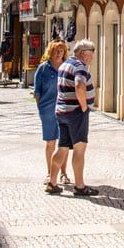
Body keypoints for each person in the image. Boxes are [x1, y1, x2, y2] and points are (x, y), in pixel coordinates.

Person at [47, 39, 97, 197]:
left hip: (62, 111)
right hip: (76, 113)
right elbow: (79, 86)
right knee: (79, 149)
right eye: (91, 54)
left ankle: (52, 182)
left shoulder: (64, 65)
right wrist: (83, 106)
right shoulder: (80, 67)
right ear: (83, 53)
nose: (92, 58)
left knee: (62, 148)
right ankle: (80, 186)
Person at [34, 40, 71, 186]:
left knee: (64, 143)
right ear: (50, 51)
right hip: (48, 110)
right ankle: (50, 174)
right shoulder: (43, 68)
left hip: (64, 109)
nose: (58, 53)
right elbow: (37, 92)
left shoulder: (67, 67)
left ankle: (63, 174)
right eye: (56, 50)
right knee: (50, 142)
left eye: (61, 51)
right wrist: (41, 109)